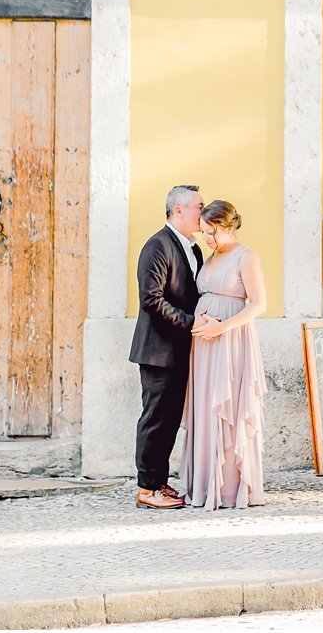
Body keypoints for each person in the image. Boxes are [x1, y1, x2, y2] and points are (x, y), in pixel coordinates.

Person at [182, 200, 267, 510]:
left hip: (231, 341)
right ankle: (203, 485)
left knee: (227, 410)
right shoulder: (213, 254)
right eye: (203, 232)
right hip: (205, 345)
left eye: (211, 232)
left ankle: (229, 488)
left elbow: (258, 305)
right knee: (206, 407)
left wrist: (221, 328)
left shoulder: (247, 257)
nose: (206, 238)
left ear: (229, 227)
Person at [128, 184, 205, 510]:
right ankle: (146, 488)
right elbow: (151, 299)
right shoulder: (157, 246)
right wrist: (191, 322)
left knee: (171, 419)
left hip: (179, 351)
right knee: (156, 419)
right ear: (179, 210)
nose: (204, 211)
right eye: (199, 206)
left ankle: (159, 481)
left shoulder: (194, 249)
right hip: (158, 352)